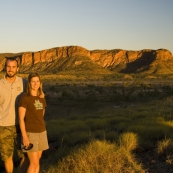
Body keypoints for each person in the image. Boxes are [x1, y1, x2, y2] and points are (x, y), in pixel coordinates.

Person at [0, 57, 27, 173]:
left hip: (21, 125)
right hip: (3, 125)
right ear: (5, 67)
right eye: (8, 66)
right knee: (7, 156)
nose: (10, 69)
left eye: (13, 67)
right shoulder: (0, 84)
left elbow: (37, 93)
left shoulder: (24, 82)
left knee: (24, 155)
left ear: (18, 68)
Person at [18, 73, 49, 173]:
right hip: (30, 133)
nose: (35, 84)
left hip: (42, 132)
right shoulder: (25, 98)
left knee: (37, 161)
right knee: (33, 163)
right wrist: (25, 136)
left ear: (40, 83)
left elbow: (41, 115)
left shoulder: (41, 97)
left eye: (37, 81)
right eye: (33, 81)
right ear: (29, 83)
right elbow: (21, 119)